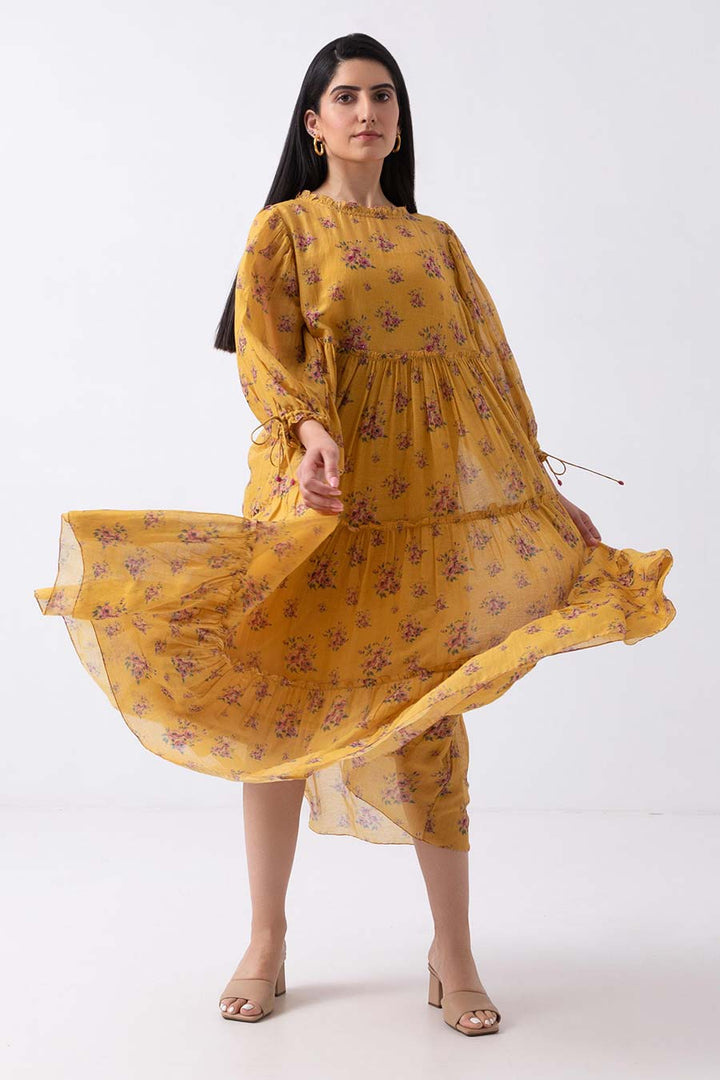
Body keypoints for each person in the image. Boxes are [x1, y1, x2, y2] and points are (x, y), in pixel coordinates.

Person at [35, 33, 676, 1037]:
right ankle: (266, 939)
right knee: (277, 704)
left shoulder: (437, 244)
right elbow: (265, 351)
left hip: (420, 515)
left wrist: (542, 495)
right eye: (346, 97)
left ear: (399, 123)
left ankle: (453, 953)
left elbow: (489, 379)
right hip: (317, 498)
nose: (367, 111)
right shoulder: (286, 228)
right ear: (315, 123)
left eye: (383, 96)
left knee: (431, 712)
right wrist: (310, 431)